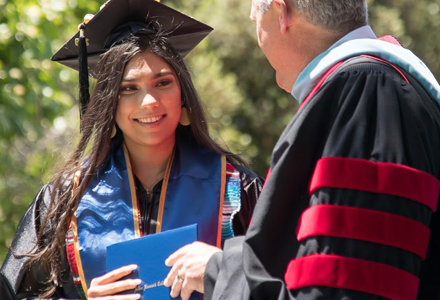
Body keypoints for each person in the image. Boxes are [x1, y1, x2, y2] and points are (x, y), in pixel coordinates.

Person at [163, 0, 440, 299]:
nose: (255, 28)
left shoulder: (365, 91)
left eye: (256, 16)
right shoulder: (389, 86)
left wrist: (219, 271)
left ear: (283, 14)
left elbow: (342, 281)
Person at [0, 0, 263, 299]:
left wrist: (222, 272)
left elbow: (281, 280)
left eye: (163, 82)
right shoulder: (64, 200)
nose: (149, 101)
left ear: (183, 95)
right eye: (128, 88)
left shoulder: (237, 191)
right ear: (109, 104)